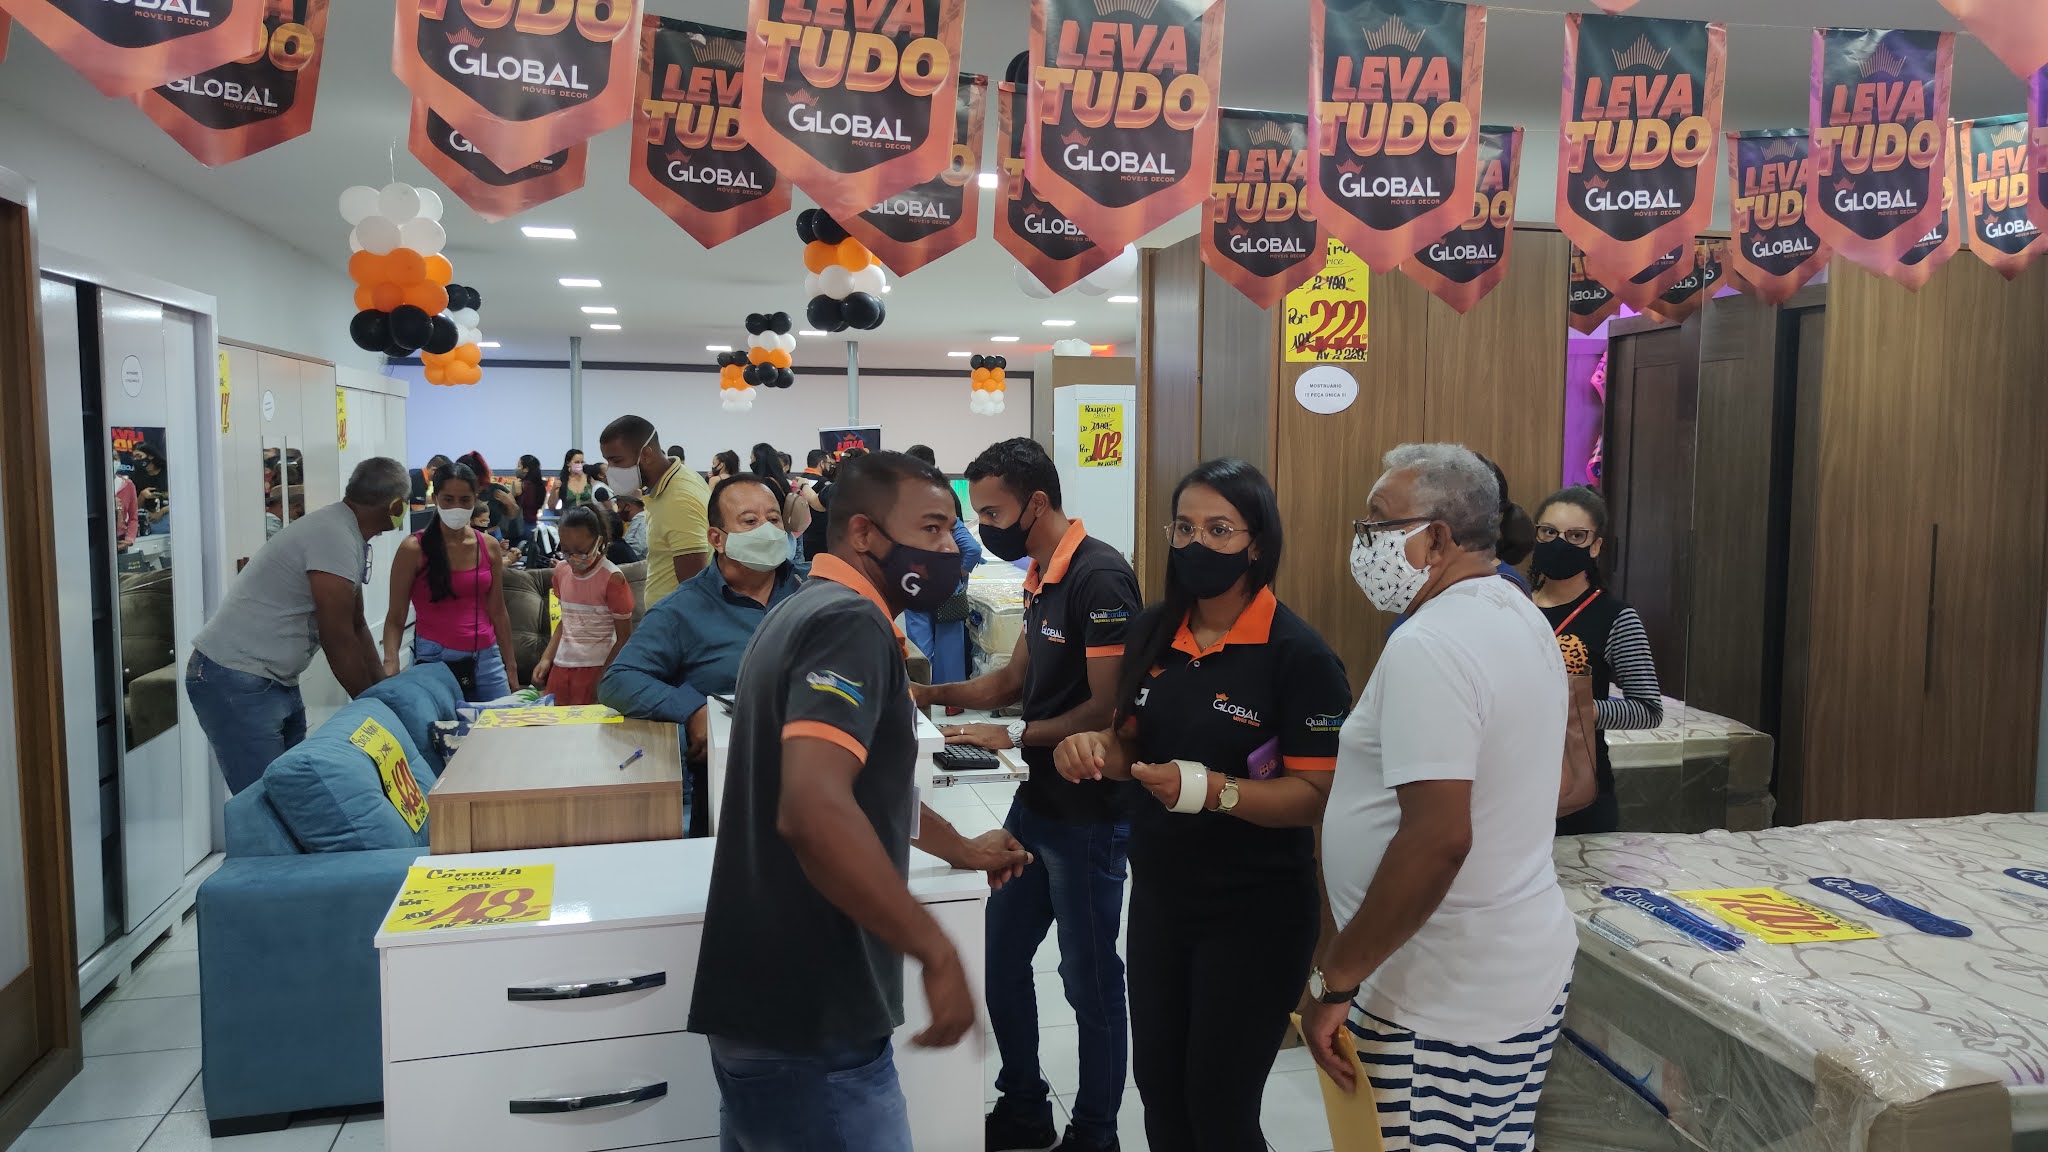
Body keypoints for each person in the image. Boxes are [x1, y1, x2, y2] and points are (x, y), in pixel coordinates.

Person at [689, 451, 1034, 1150]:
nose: (949, 548)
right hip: (811, 1013)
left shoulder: (805, 608)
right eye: (931, 529)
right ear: (864, 533)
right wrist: (935, 951)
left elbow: (859, 789)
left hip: (769, 1007)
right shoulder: (848, 624)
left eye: (952, 530)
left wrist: (960, 849)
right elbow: (814, 810)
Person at [1052, 459, 1350, 1152]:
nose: (1197, 544)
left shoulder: (1299, 656)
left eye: (1220, 530)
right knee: (1161, 1096)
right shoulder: (1154, 630)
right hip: (1162, 900)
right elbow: (1131, 741)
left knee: (1218, 1111)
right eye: (1184, 528)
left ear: (1257, 542)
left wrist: (1212, 791)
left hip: (1255, 912)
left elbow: (1313, 797)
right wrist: (1095, 748)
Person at [1301, 444, 1575, 1152]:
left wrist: (1337, 980)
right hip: (1505, 972)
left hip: (1436, 1001)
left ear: (1437, 538)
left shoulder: (1431, 643)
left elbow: (1438, 839)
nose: (1363, 542)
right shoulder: (1517, 613)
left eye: (1378, 523)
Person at [915, 437, 1141, 1152]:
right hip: (1038, 805)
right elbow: (1011, 680)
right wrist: (928, 695)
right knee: (1002, 956)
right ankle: (1024, 1105)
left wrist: (1014, 734)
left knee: (1089, 982)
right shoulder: (1043, 572)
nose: (982, 526)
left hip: (1089, 815)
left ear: (1036, 503)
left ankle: (1096, 1132)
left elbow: (1107, 710)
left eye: (991, 512)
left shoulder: (1101, 578)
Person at [187, 458, 405, 792]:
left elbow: (357, 624)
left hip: (271, 679)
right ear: (396, 506)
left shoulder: (346, 533)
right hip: (236, 677)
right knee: (266, 800)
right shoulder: (333, 536)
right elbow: (337, 636)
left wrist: (380, 696)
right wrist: (368, 705)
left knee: (294, 794)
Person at [601, 474, 802, 836]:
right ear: (716, 539)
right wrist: (693, 710)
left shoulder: (810, 593)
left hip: (815, 775)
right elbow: (619, 680)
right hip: (733, 788)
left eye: (773, 519)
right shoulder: (683, 609)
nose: (767, 530)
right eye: (750, 521)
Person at [1531, 485, 1662, 836]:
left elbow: (1648, 710)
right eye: (1549, 532)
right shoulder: (1512, 604)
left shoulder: (1616, 616)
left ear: (1595, 546)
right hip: (1507, 783)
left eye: (1576, 536)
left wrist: (1580, 710)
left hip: (1577, 792)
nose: (1560, 543)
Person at [382, 461, 521, 701]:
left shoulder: (488, 546)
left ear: (475, 499)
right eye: (448, 499)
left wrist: (511, 666)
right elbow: (396, 617)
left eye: (465, 500)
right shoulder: (413, 549)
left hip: (487, 657)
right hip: (435, 659)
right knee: (443, 725)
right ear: (436, 498)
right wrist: (390, 662)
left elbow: (498, 611)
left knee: (500, 723)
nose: (457, 506)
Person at [601, 415, 712, 605]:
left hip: (675, 618)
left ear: (645, 454)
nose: (610, 469)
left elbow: (693, 587)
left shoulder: (679, 499)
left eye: (616, 460)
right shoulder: (675, 480)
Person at [534, 507, 636, 707]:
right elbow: (565, 621)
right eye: (566, 551)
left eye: (581, 551)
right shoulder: (561, 571)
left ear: (598, 541)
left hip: (596, 668)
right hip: (561, 667)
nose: (573, 558)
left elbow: (624, 637)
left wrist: (604, 676)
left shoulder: (612, 578)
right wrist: (546, 658)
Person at [901, 444, 985, 683]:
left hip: (913, 583)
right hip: (946, 586)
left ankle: (921, 692)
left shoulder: (901, 511)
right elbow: (972, 549)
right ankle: (950, 697)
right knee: (950, 648)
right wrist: (959, 573)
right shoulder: (946, 512)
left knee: (920, 648)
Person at [551, 449, 602, 513]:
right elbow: (551, 507)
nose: (580, 465)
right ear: (568, 463)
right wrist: (554, 489)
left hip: (588, 516)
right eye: (577, 462)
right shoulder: (562, 481)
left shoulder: (589, 479)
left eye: (582, 462)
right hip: (568, 517)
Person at [515, 453, 548, 526]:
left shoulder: (522, 485)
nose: (516, 469)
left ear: (526, 469)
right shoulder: (540, 486)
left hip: (520, 524)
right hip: (532, 522)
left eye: (519, 466)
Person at [617, 492, 649, 559]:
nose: (618, 511)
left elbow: (636, 552)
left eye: (619, 507)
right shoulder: (640, 520)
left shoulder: (641, 522)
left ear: (628, 507)